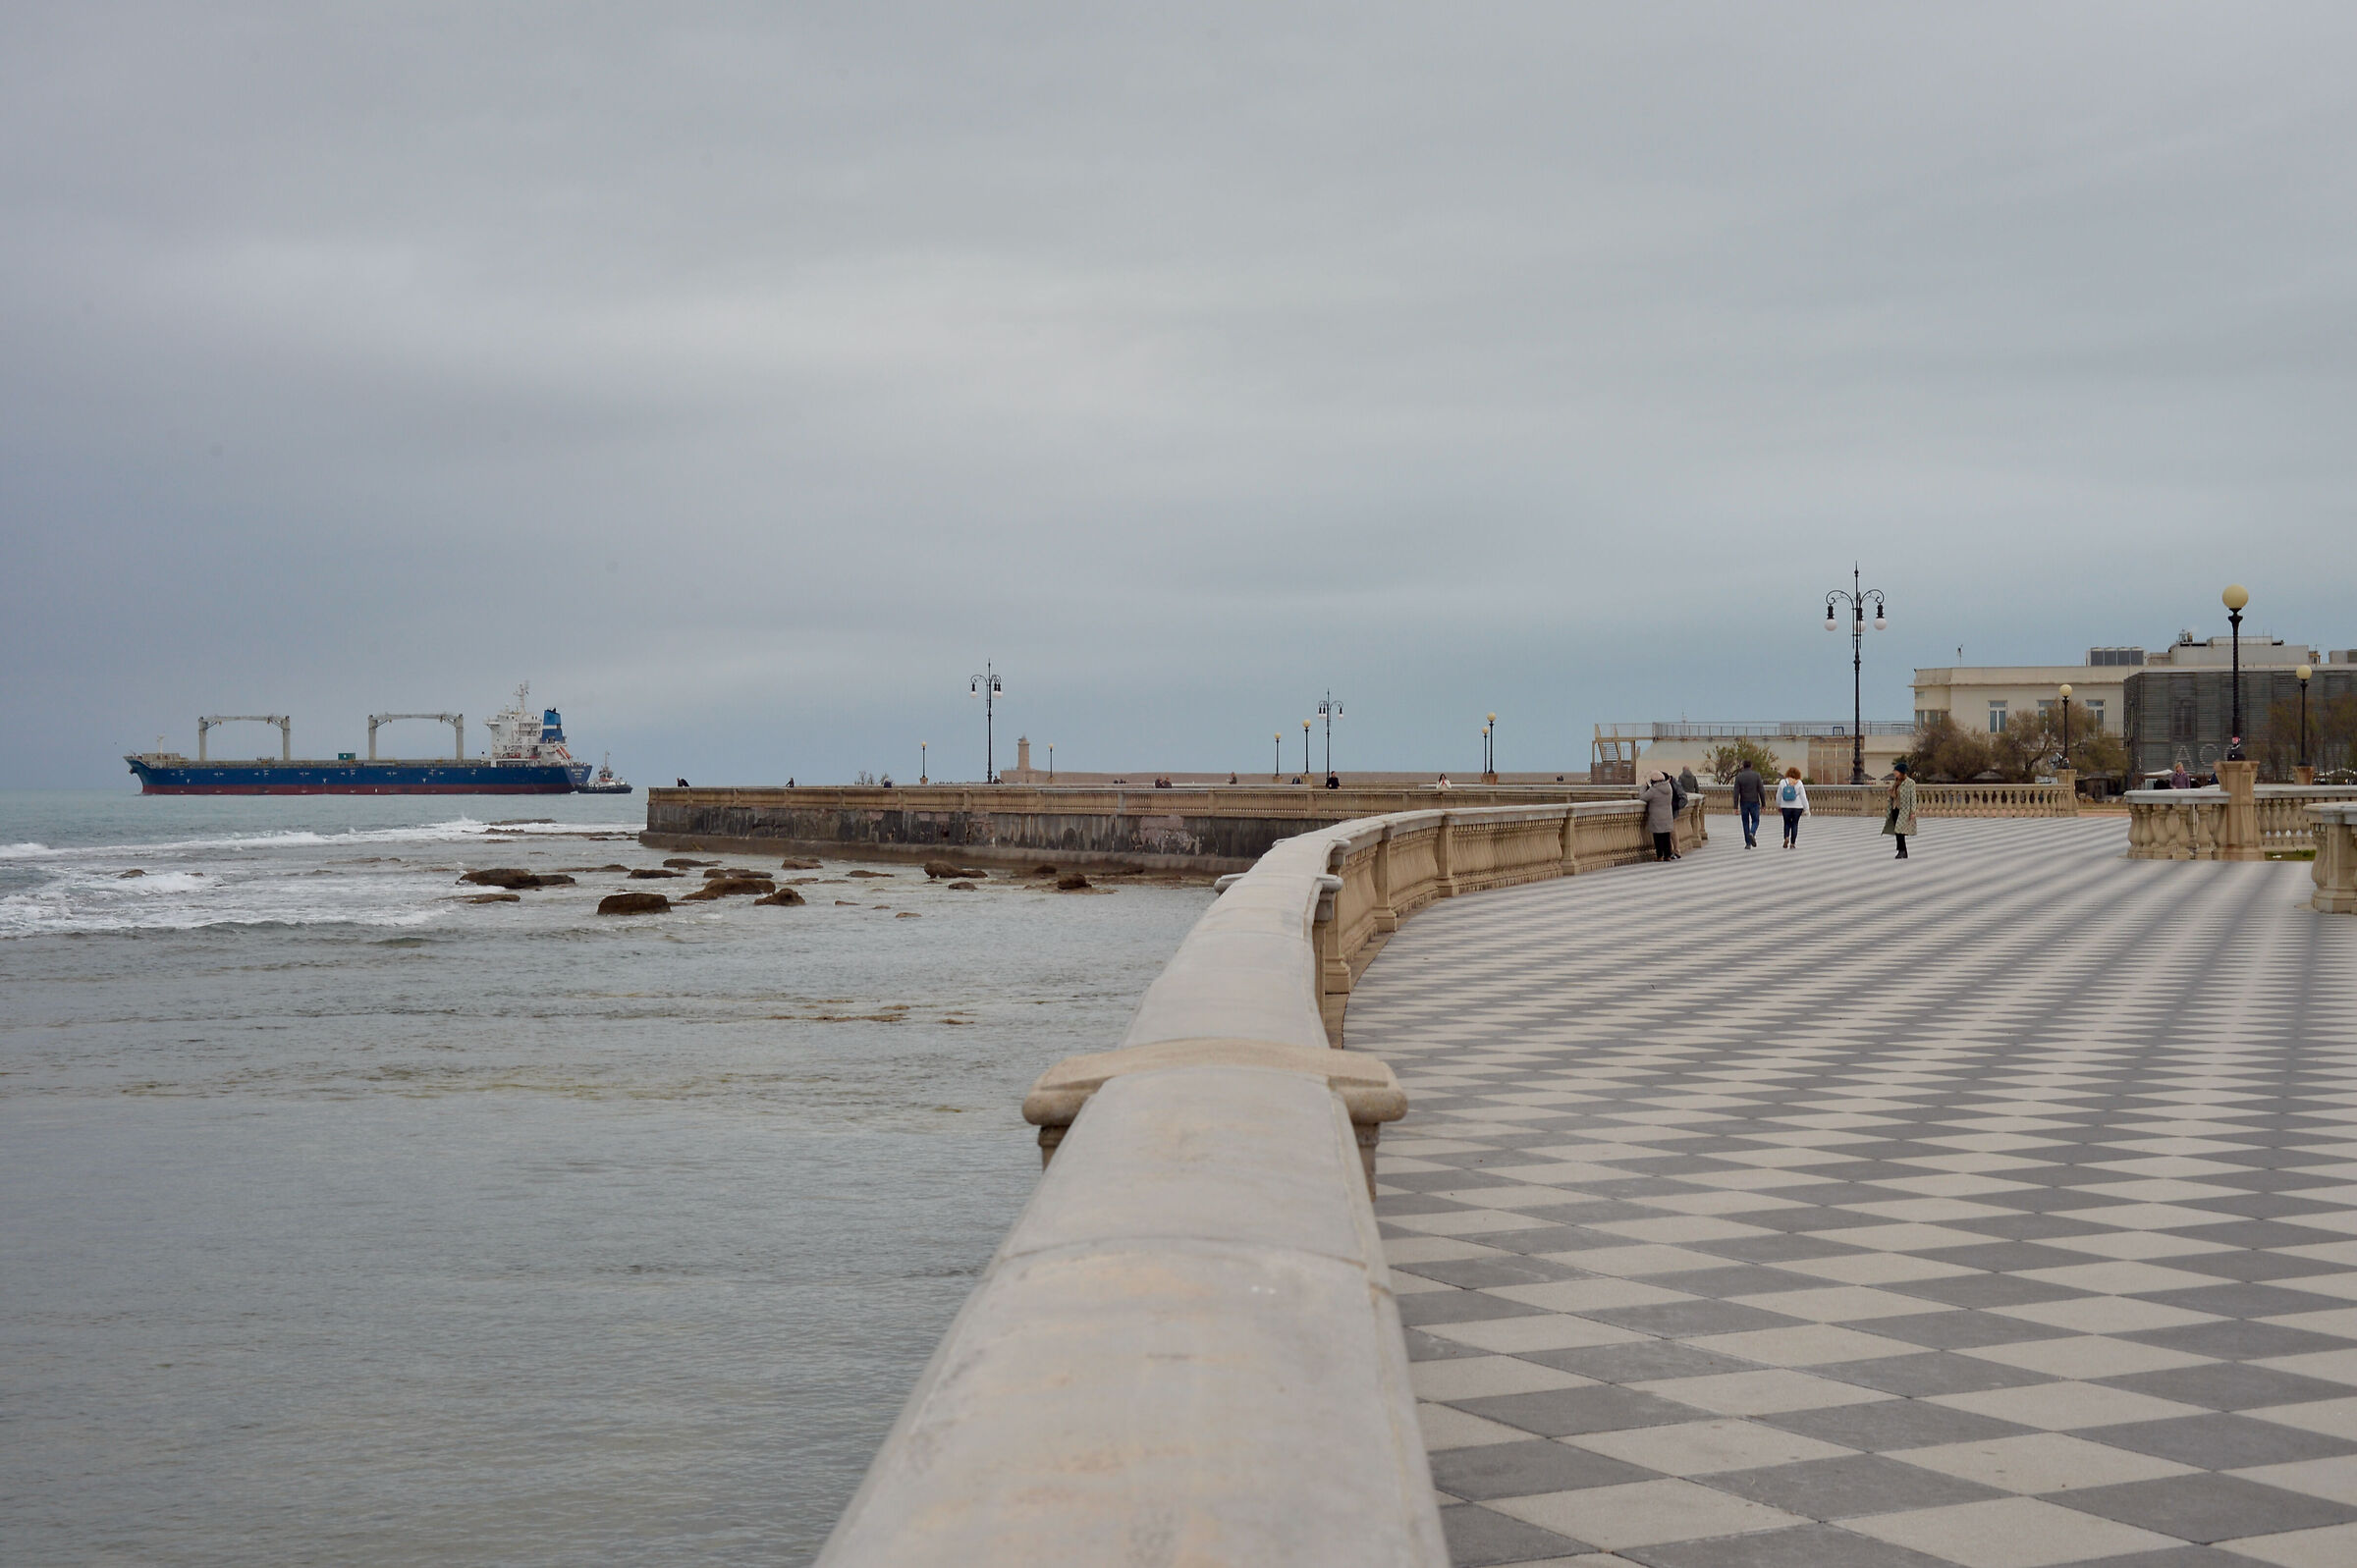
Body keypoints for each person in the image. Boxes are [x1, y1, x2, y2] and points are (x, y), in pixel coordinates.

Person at [1883, 759, 1918, 859]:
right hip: (1895, 809)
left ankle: (1901, 851)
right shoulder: (1896, 782)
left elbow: (1913, 797)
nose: (1894, 773)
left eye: (1896, 771)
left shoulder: (1910, 783)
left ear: (1901, 772)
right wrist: (1891, 792)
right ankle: (1903, 851)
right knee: (1898, 830)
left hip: (1904, 810)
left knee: (1899, 830)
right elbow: (1894, 796)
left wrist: (1913, 811)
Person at [1641, 770, 1679, 860]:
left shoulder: (1654, 790)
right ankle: (1667, 855)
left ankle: (1660, 856)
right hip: (1667, 815)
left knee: (1658, 837)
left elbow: (1643, 797)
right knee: (1666, 836)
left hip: (1656, 816)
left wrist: (1643, 787)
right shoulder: (1668, 787)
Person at [1732, 758, 1765, 848]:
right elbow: (1761, 790)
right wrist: (1763, 804)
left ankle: (1748, 843)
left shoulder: (1739, 776)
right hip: (1754, 801)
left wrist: (1735, 806)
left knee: (1745, 822)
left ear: (1743, 766)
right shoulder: (1757, 775)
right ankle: (1752, 832)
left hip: (1744, 802)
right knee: (1756, 820)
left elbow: (1736, 792)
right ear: (1751, 766)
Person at [1777, 767, 1808, 847]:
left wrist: (1778, 805)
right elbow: (1803, 796)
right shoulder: (1799, 783)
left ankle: (1786, 837)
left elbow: (1779, 795)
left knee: (1786, 823)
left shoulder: (1783, 782)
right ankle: (1793, 843)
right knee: (1795, 824)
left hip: (1785, 806)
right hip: (1797, 806)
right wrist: (1806, 808)